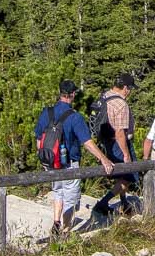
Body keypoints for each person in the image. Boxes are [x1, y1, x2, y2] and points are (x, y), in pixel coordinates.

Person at [35, 81, 114, 236]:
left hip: (52, 162)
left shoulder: (47, 112)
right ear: (72, 95)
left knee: (58, 192)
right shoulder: (75, 117)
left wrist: (45, 160)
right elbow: (87, 142)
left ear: (60, 93)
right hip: (69, 162)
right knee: (70, 198)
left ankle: (57, 222)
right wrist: (104, 159)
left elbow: (39, 140)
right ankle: (65, 230)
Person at [90, 73, 139, 223]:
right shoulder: (121, 104)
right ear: (125, 88)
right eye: (130, 88)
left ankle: (124, 204)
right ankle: (103, 203)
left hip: (104, 142)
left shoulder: (104, 96)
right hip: (117, 143)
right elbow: (119, 132)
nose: (130, 92)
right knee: (130, 176)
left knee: (121, 175)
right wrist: (126, 153)